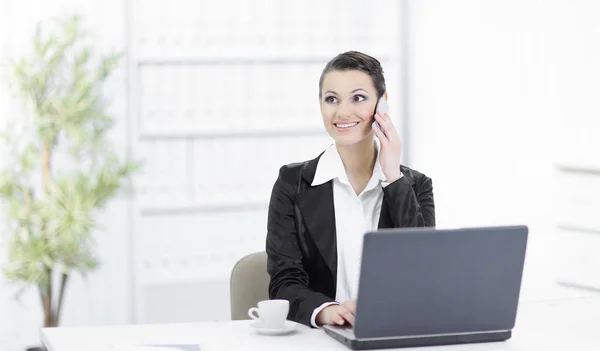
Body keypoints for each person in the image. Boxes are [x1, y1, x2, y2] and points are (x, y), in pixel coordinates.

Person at [265, 51, 435, 329]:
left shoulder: (415, 185)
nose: (343, 112)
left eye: (358, 98)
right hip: (322, 337)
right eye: (332, 99)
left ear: (382, 104)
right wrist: (327, 311)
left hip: (391, 335)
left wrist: (393, 177)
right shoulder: (292, 183)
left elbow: (426, 271)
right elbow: (284, 281)